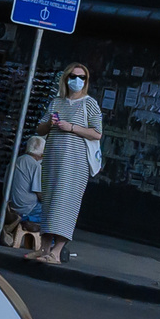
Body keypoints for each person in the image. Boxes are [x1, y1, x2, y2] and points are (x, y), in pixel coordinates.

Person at [34, 63, 102, 265]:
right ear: (66, 78)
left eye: (82, 77)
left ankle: (56, 251)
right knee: (49, 201)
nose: (77, 80)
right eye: (73, 76)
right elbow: (40, 129)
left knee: (66, 203)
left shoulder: (89, 104)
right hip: (53, 160)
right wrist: (50, 124)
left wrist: (71, 127)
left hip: (75, 162)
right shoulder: (57, 102)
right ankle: (44, 248)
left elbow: (97, 132)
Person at [4, 133, 46, 252]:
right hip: (27, 209)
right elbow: (40, 195)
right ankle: (50, 247)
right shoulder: (36, 166)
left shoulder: (15, 161)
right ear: (41, 154)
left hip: (10, 207)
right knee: (54, 213)